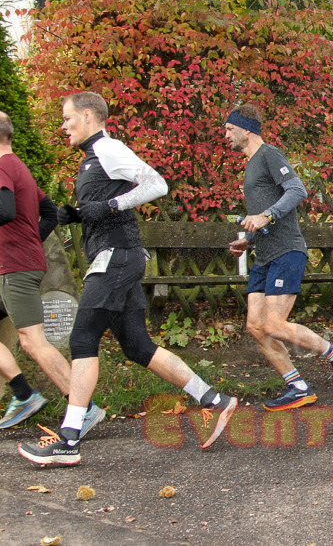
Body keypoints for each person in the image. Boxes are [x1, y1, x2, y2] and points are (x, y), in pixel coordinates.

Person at [18, 93, 237, 465]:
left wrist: (105, 207)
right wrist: (77, 214)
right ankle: (216, 400)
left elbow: (157, 185)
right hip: (119, 258)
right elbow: (98, 207)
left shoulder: (108, 148)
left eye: (68, 118)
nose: (63, 125)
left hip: (115, 259)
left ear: (88, 116)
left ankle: (69, 441)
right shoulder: (92, 159)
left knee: (82, 338)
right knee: (138, 347)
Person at [224, 103, 333, 410]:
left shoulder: (268, 155)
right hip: (264, 255)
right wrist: (248, 239)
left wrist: (265, 216)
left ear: (246, 129)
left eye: (230, 128)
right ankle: (298, 386)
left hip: (287, 252)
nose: (226, 135)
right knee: (256, 327)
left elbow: (297, 190)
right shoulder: (250, 165)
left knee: (273, 323)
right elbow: (263, 215)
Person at [0, 110, 105, 434]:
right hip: (14, 266)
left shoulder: (0, 168)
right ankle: (24, 394)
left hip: (17, 268)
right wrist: (31, 243)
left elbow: (5, 210)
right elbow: (50, 212)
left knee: (33, 341)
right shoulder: (18, 167)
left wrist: (23, 246)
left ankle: (84, 408)